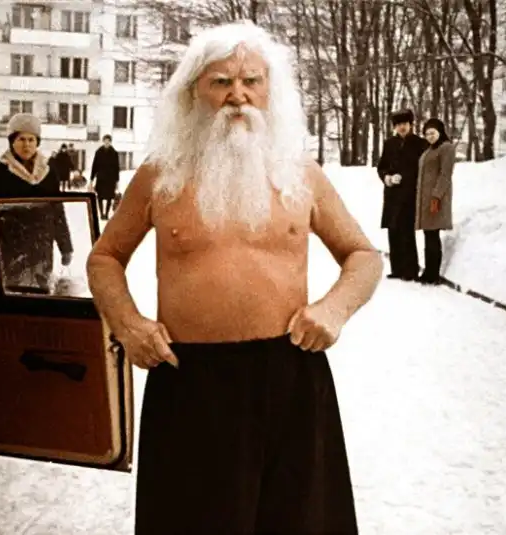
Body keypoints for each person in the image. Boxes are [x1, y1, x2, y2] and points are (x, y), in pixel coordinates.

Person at [86, 21, 383, 535]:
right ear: (193, 93)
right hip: (191, 382)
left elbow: (364, 256)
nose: (237, 95)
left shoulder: (301, 174)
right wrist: (129, 325)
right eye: (221, 81)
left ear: (272, 91)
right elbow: (104, 258)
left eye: (251, 81)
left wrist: (333, 310)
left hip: (291, 377)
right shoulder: (160, 176)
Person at [0, 113, 73, 291]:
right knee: (12, 295)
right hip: (10, 248)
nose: (26, 145)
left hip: (41, 248)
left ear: (37, 142)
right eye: (21, 139)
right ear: (12, 141)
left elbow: (57, 211)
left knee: (40, 294)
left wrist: (65, 247)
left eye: (31, 139)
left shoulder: (48, 173)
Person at [377, 109, 429, 281]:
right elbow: (382, 166)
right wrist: (387, 177)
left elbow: (422, 169)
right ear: (394, 127)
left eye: (405, 124)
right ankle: (397, 269)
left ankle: (410, 270)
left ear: (411, 124)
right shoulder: (389, 143)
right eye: (398, 124)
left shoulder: (420, 144)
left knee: (407, 231)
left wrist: (404, 177)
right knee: (393, 230)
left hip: (410, 194)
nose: (402, 127)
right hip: (392, 194)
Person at [415, 117, 455, 285]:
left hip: (436, 199)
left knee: (433, 236)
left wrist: (436, 196)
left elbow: (445, 175)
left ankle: (433, 274)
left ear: (440, 132)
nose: (430, 136)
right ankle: (428, 271)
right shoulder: (428, 150)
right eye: (427, 134)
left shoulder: (446, 148)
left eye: (433, 133)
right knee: (428, 235)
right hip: (425, 200)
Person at [89, 134, 121, 220]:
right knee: (100, 196)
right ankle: (101, 214)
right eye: (105, 141)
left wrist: (117, 181)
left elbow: (117, 168)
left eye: (108, 141)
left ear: (110, 142)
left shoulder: (114, 153)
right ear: (103, 141)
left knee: (109, 197)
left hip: (110, 179)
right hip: (101, 178)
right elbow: (94, 166)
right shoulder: (98, 152)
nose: (107, 143)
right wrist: (91, 179)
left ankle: (106, 214)